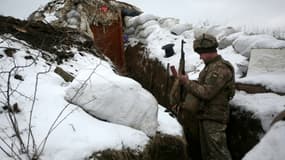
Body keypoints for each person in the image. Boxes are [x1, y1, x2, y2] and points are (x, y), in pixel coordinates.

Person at [173, 33, 235, 160]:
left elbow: (207, 93)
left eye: (201, 53)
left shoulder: (220, 69)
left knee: (219, 155)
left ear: (208, 51)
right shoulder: (210, 67)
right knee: (208, 155)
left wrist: (187, 83)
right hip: (206, 115)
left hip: (215, 118)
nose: (200, 57)